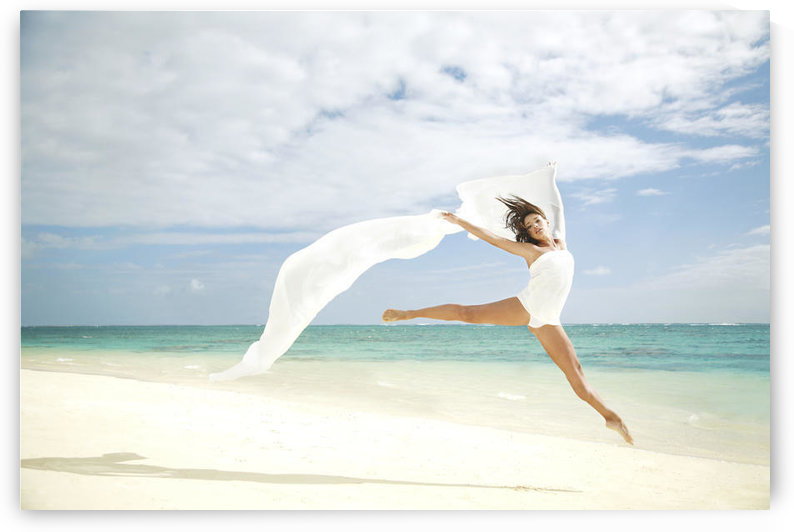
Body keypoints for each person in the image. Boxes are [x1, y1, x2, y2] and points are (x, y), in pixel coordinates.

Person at [382, 195, 634, 445]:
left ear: (545, 221)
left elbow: (558, 209)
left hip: (548, 320)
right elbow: (494, 239)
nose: (535, 227)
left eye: (537, 221)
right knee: (467, 313)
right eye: (529, 227)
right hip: (527, 306)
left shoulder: (561, 244)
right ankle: (408, 313)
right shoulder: (532, 251)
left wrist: (551, 176)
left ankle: (611, 418)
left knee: (576, 373)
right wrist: (459, 221)